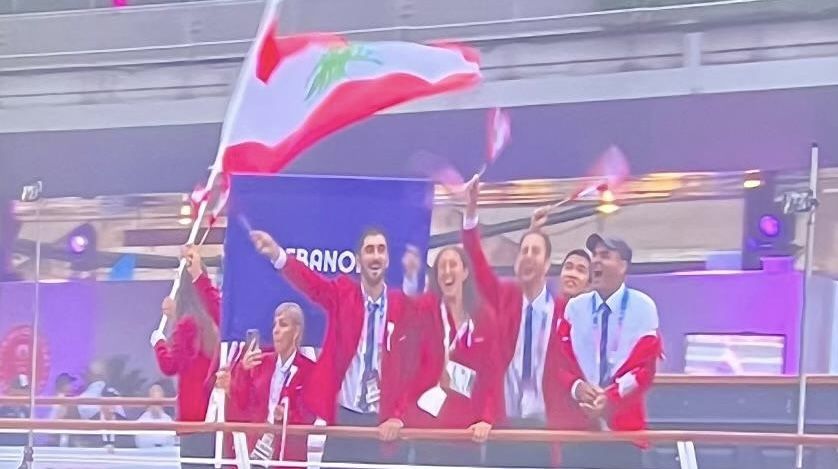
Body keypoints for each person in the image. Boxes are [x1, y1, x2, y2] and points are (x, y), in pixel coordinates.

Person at [250, 228, 416, 464]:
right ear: (359, 261)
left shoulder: (401, 306)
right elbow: (312, 285)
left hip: (384, 425)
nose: (376, 256)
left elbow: (410, 368)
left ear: (387, 259)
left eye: (381, 249)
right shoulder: (343, 294)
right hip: (344, 420)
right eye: (369, 250)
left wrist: (398, 416)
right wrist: (278, 254)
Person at [461, 175, 567, 467]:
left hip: (545, 428)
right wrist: (471, 211)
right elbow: (477, 262)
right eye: (523, 252)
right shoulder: (504, 296)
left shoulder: (564, 311)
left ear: (547, 264)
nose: (527, 257)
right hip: (504, 424)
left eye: (535, 252)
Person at [557, 234, 662, 469]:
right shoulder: (575, 308)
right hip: (579, 428)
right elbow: (558, 363)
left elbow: (644, 370)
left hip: (624, 430)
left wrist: (610, 397)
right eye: (594, 255)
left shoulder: (643, 307)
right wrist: (577, 388)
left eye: (605, 256)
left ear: (623, 266)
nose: (596, 261)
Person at [405, 246, 501, 465]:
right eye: (441, 267)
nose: (447, 271)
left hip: (466, 436)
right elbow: (411, 369)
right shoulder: (425, 313)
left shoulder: (484, 317)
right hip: (427, 433)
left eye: (453, 265)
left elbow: (492, 376)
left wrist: (486, 419)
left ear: (465, 272)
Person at [149, 245, 221, 468]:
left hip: (192, 417)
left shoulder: (187, 323)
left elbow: (171, 365)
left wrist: (158, 342)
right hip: (213, 415)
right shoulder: (210, 321)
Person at [230, 302, 316, 466]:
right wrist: (243, 371)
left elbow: (310, 414)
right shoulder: (260, 363)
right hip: (255, 451)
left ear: (296, 331)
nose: (275, 330)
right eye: (274, 325)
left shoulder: (310, 370)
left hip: (288, 455)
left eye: (283, 324)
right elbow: (241, 402)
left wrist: (287, 415)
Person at [135, 384, 177, 449]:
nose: (156, 406)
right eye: (154, 401)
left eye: (158, 402)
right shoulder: (141, 420)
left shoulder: (168, 420)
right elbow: (140, 444)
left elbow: (172, 443)